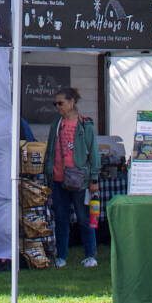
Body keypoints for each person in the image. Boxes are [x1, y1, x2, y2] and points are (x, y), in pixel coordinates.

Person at [46, 88, 101, 267]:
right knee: (61, 219)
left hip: (80, 179)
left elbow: (93, 152)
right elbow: (50, 148)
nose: (58, 106)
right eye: (55, 104)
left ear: (71, 102)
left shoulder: (85, 125)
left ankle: (90, 255)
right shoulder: (56, 124)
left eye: (60, 103)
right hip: (58, 178)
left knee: (84, 218)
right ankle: (61, 256)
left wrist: (94, 178)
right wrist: (48, 171)